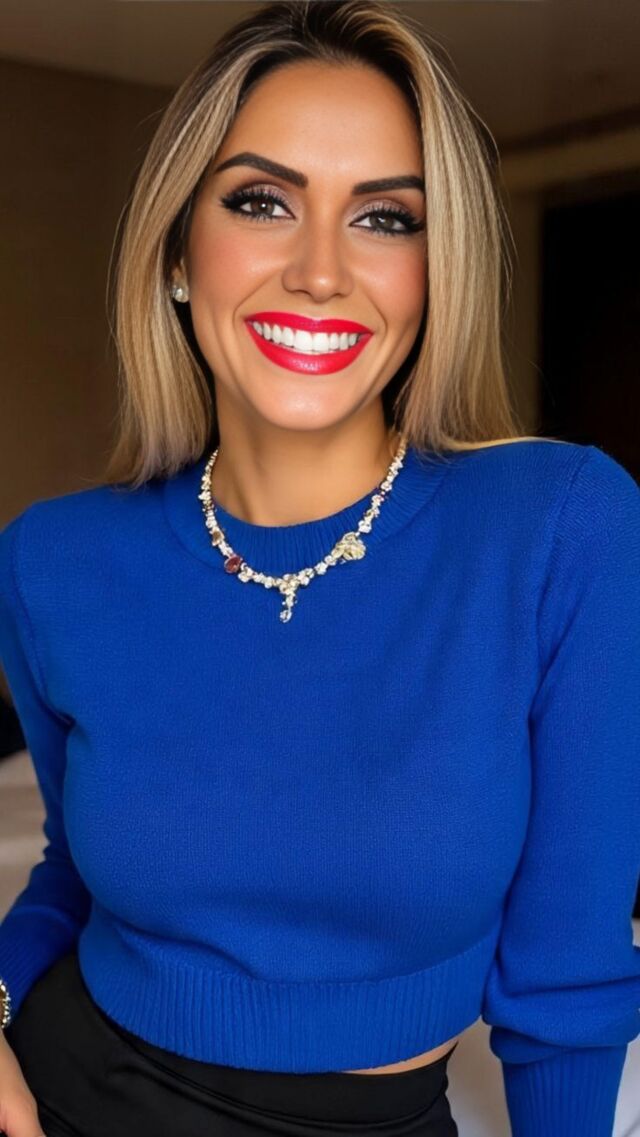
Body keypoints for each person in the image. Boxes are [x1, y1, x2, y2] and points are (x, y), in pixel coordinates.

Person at [0, 1, 639, 1134]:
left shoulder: (558, 526)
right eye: (262, 202)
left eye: (386, 218)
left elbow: (568, 977)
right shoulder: (53, 559)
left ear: (434, 274)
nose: (321, 271)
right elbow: (72, 870)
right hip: (64, 1091)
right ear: (178, 254)